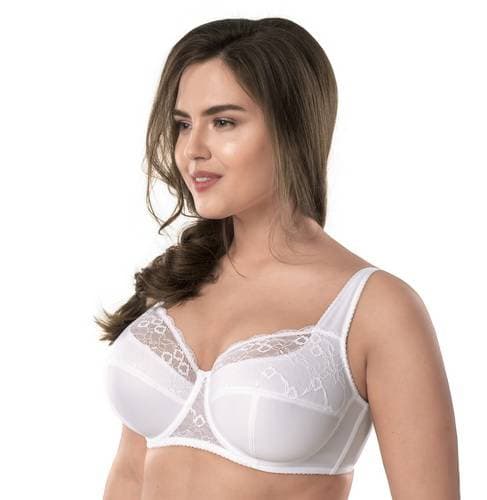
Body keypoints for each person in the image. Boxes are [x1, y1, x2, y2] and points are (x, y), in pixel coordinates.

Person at [96, 17, 460, 500]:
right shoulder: (178, 279)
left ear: (293, 129)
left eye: (223, 122)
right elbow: (129, 474)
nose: (192, 150)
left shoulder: (374, 308)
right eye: (184, 124)